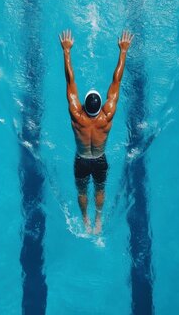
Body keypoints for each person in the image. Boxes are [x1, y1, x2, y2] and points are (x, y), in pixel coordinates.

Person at [59, 29, 133, 235]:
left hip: (81, 159)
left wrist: (66, 51)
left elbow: (70, 81)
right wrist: (123, 51)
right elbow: (116, 82)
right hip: (100, 158)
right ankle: (98, 219)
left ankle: (85, 220)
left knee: (82, 190)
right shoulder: (107, 115)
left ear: (83, 105)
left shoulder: (76, 114)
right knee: (100, 189)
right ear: (101, 106)